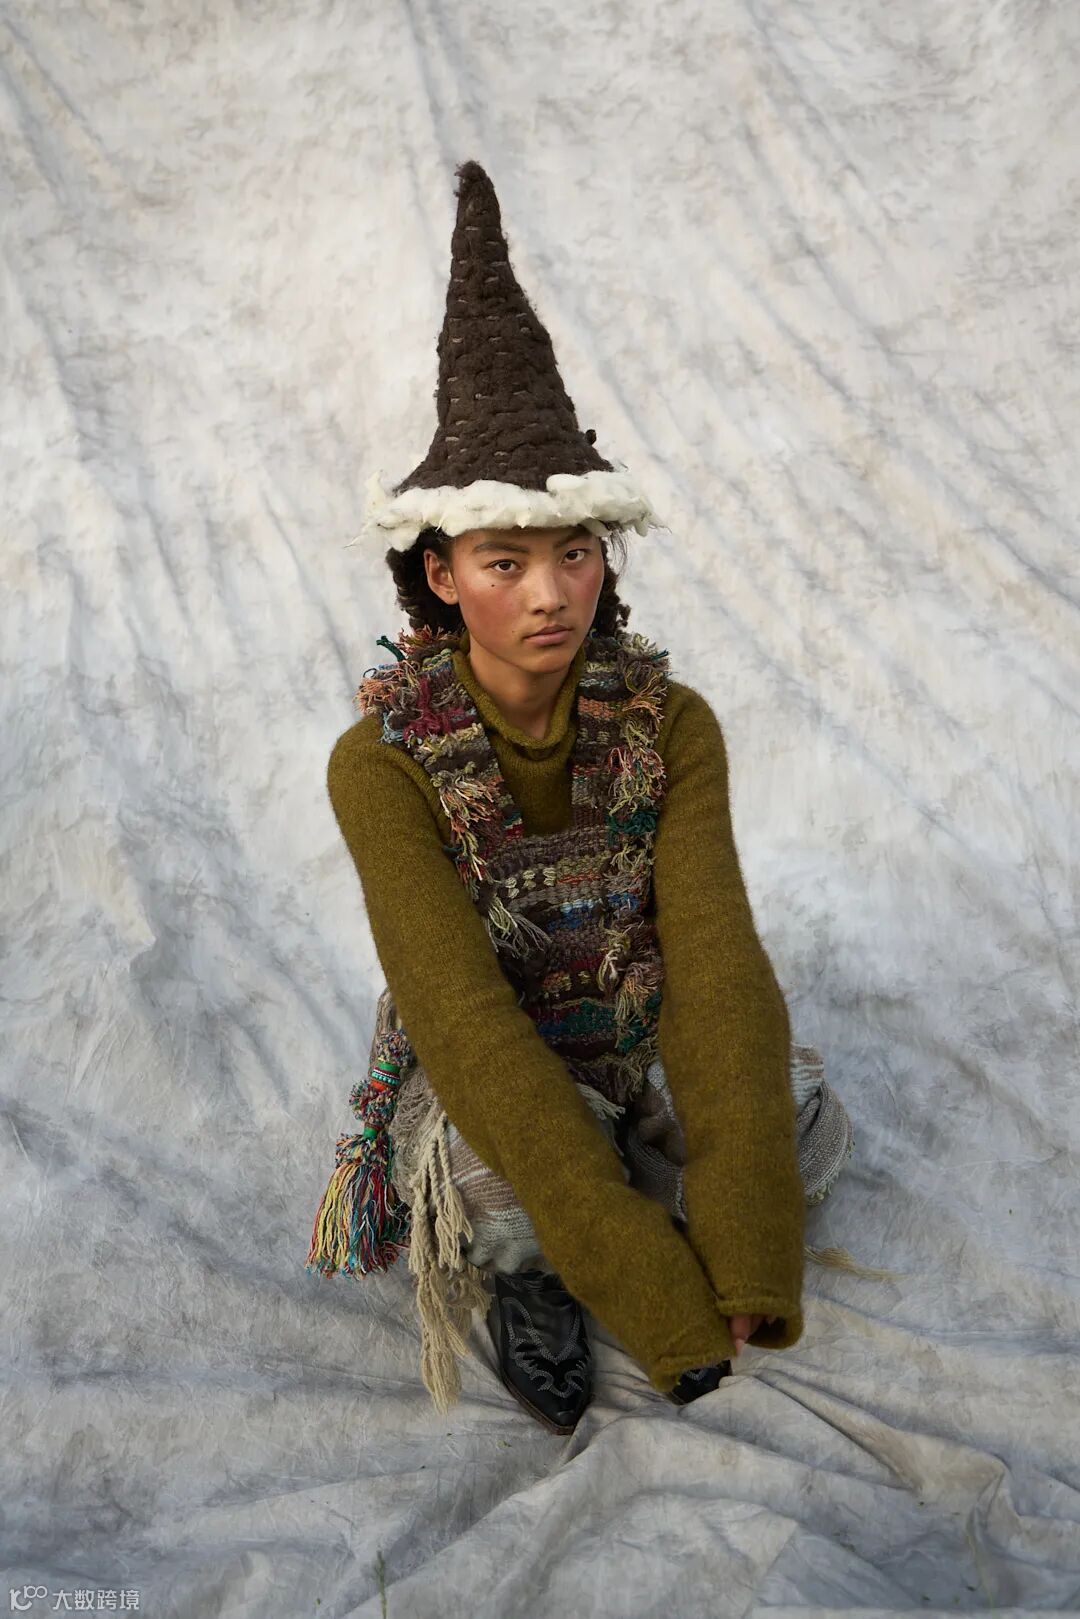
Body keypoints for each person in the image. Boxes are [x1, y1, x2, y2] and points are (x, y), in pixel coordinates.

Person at [307, 159, 855, 1434]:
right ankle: (539, 1274)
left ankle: (665, 1183)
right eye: (507, 561)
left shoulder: (669, 725)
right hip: (496, 1052)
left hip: (631, 1014)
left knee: (791, 1105)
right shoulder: (381, 763)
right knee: (491, 1176)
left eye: (576, 552)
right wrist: (638, 1273)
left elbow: (713, 964)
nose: (552, 593)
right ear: (441, 574)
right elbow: (465, 1021)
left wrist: (748, 1240)